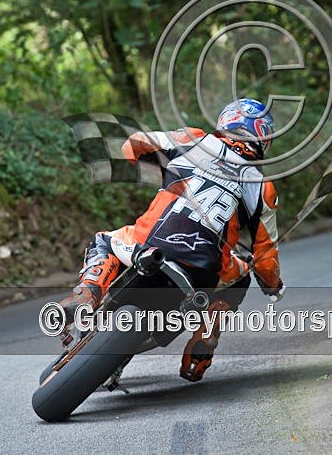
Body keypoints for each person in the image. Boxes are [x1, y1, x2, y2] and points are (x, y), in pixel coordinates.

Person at [60, 98, 283, 382]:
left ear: (226, 122)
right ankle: (203, 343)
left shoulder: (193, 141)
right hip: (204, 272)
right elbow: (266, 258)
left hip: (148, 246)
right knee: (242, 275)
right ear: (263, 139)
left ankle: (86, 293)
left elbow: (133, 145)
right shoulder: (263, 187)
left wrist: (161, 163)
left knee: (104, 241)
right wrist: (274, 286)